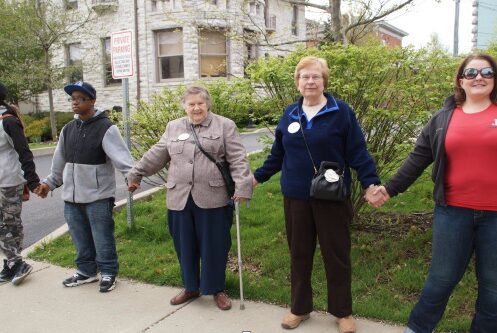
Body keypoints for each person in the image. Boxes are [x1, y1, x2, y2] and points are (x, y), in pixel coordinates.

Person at [253, 56, 383, 332]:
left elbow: (357, 151)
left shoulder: (341, 112)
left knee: (336, 255)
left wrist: (371, 182)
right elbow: (278, 154)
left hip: (332, 197)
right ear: (297, 83)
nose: (310, 81)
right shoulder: (290, 113)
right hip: (296, 197)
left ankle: (342, 311)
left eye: (315, 76)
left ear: (324, 81)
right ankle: (299, 308)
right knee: (299, 253)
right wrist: (256, 178)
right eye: (304, 77)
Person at [371, 53, 497, 333]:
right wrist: (389, 189)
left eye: (487, 72)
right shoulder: (443, 118)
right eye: (472, 72)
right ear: (461, 80)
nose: (479, 77)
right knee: (440, 280)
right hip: (453, 212)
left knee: (494, 288)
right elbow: (418, 158)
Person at [127, 86, 252, 311]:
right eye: (191, 104)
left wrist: (242, 186)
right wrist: (136, 173)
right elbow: (158, 153)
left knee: (215, 245)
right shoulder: (173, 127)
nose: (196, 108)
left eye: (200, 103)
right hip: (180, 197)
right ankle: (191, 286)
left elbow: (238, 159)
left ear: (208, 104)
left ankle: (216, 288)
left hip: (213, 196)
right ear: (185, 106)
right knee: (184, 245)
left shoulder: (225, 125)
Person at [37, 81, 134, 293]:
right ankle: (86, 271)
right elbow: (59, 163)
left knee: (102, 237)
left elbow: (123, 159)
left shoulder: (106, 128)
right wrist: (48, 183)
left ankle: (108, 272)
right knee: (79, 236)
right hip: (71, 197)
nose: (75, 103)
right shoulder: (67, 129)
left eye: (80, 99)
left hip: (98, 196)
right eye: (73, 99)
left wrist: (132, 177)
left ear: (92, 101)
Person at [0, 82, 41, 285]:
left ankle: (16, 262)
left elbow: (24, 152)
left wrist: (32, 181)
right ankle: (12, 263)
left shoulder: (8, 121)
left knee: (8, 224)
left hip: (9, 181)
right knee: (8, 224)